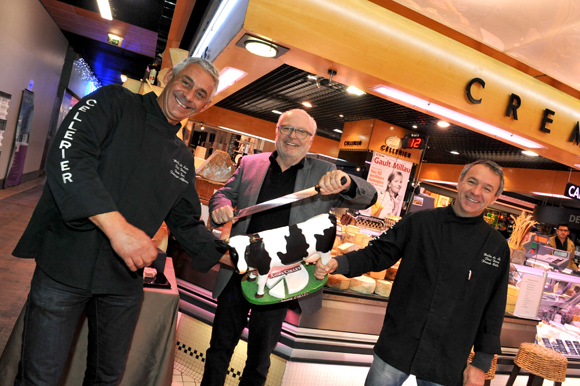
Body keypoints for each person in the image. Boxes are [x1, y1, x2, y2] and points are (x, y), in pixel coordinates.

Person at [12, 57, 232, 385]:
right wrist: (118, 228)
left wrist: (237, 258)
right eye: (186, 82)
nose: (189, 96)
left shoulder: (182, 159)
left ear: (206, 104)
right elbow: (69, 153)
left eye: (201, 94)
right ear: (171, 76)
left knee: (108, 377)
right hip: (64, 265)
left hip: (122, 282)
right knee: (39, 377)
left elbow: (185, 223)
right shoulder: (114, 101)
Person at [201, 108, 377, 386]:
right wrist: (220, 206)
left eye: (301, 132)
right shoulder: (250, 163)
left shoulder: (324, 173)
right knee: (218, 350)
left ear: (311, 139)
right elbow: (223, 193)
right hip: (239, 272)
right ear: (277, 131)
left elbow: (367, 198)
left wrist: (347, 182)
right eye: (287, 129)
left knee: (259, 360)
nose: (293, 137)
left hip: (280, 281)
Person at [315, 160, 510, 386]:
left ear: (495, 197)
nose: (476, 192)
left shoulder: (496, 246)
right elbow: (378, 254)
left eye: (487, 188)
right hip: (400, 341)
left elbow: (494, 308)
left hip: (448, 355)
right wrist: (339, 263)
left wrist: (481, 364)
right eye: (472, 182)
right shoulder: (421, 222)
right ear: (459, 182)